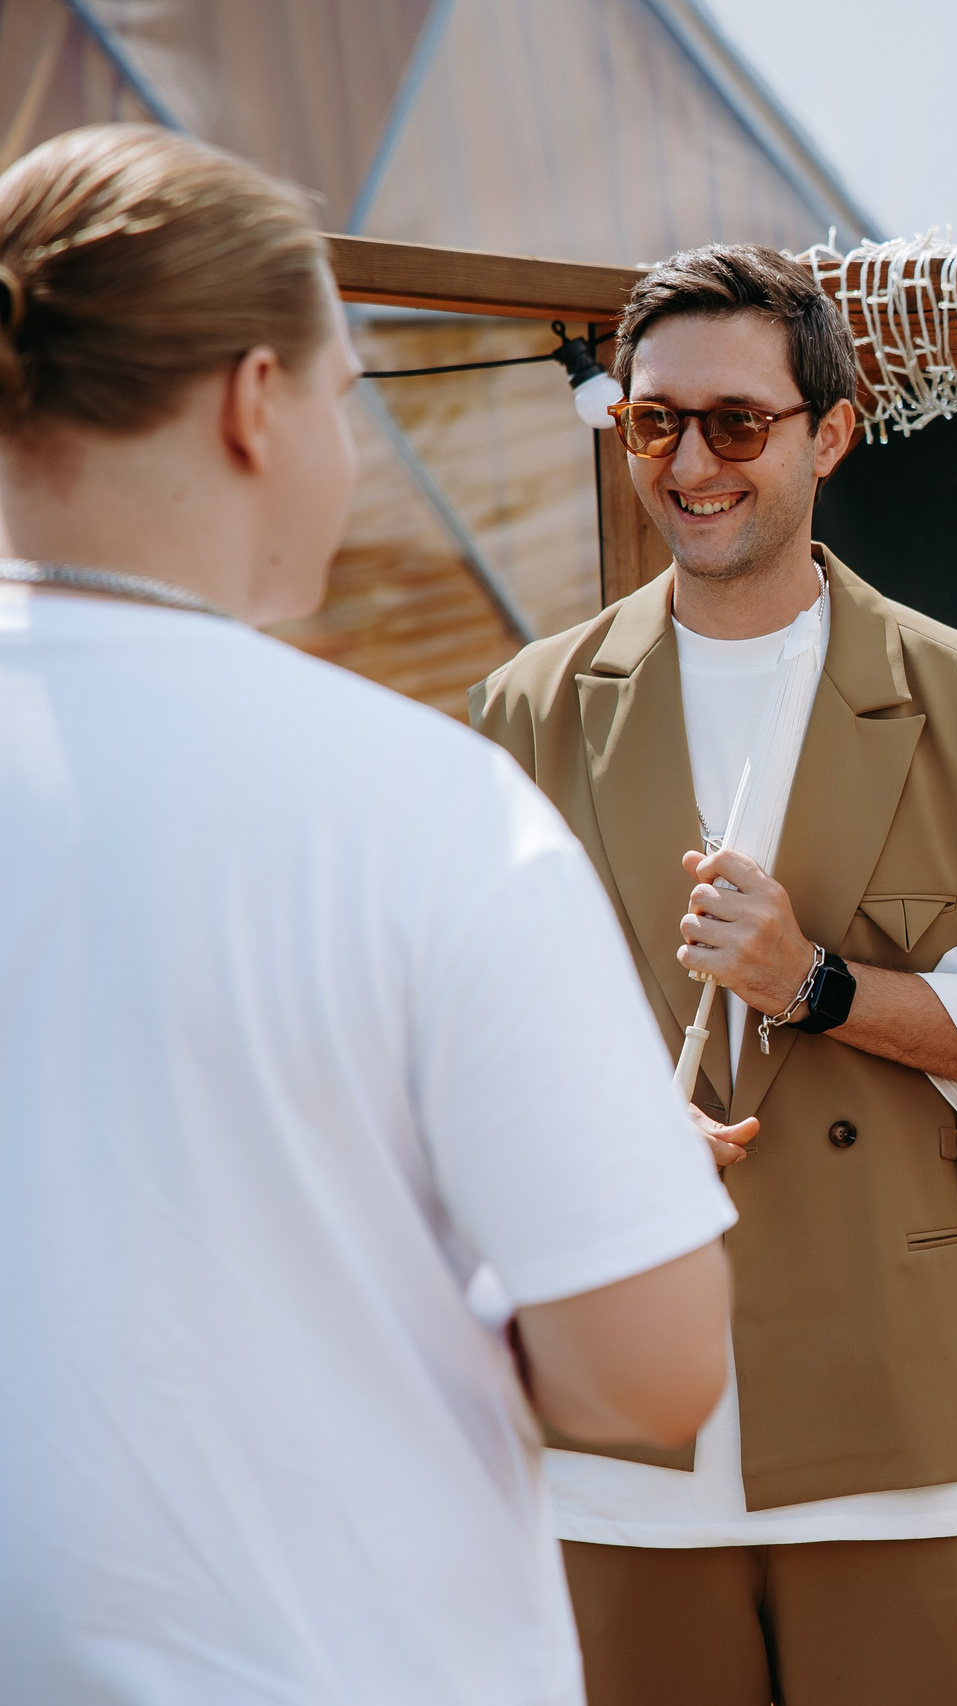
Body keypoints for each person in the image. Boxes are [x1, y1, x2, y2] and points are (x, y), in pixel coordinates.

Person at [0, 126, 735, 1704]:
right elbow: (653, 1368)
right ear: (255, 400)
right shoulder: (423, 810)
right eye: (348, 401)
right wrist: (603, 1182)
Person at [470, 243, 957, 1706]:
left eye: (735, 422)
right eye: (654, 421)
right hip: (620, 1409)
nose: (690, 460)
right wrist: (607, 1128)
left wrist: (819, 984)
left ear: (831, 431)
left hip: (896, 1406)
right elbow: (451, 1052)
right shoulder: (525, 712)